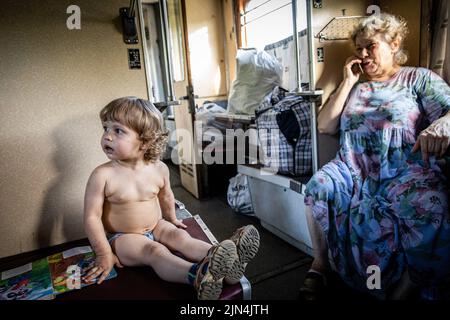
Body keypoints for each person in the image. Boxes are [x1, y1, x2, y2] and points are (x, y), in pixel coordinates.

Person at [300, 13, 450, 300]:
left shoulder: (417, 78)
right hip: (354, 168)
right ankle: (319, 264)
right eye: (359, 49)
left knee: (433, 211)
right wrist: (346, 82)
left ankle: (405, 291)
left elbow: (449, 110)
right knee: (318, 186)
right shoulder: (357, 88)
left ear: (393, 44)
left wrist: (445, 122)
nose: (364, 54)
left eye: (370, 46)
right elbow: (325, 125)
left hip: (405, 170)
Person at [83, 96, 260, 300]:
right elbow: (92, 217)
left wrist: (172, 219)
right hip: (123, 238)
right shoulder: (102, 175)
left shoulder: (159, 168)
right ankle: (196, 276)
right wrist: (104, 254)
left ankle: (225, 261)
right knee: (155, 251)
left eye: (118, 131)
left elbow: (166, 196)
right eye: (106, 128)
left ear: (145, 142)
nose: (108, 136)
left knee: (180, 238)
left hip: (156, 225)